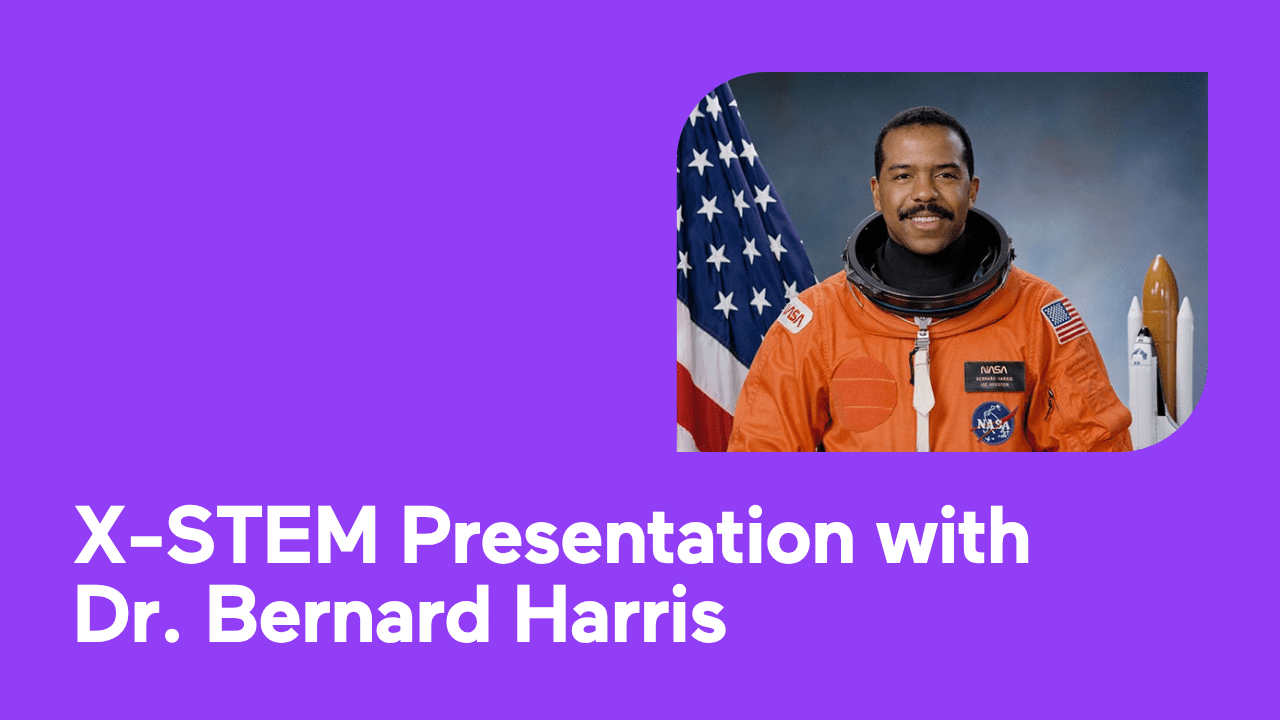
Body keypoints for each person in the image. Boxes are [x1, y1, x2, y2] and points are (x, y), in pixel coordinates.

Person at [727, 107, 1132, 452]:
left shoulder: (1037, 314)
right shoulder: (817, 321)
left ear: (971, 190)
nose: (924, 194)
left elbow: (1097, 459)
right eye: (903, 176)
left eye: (945, 175)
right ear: (877, 191)